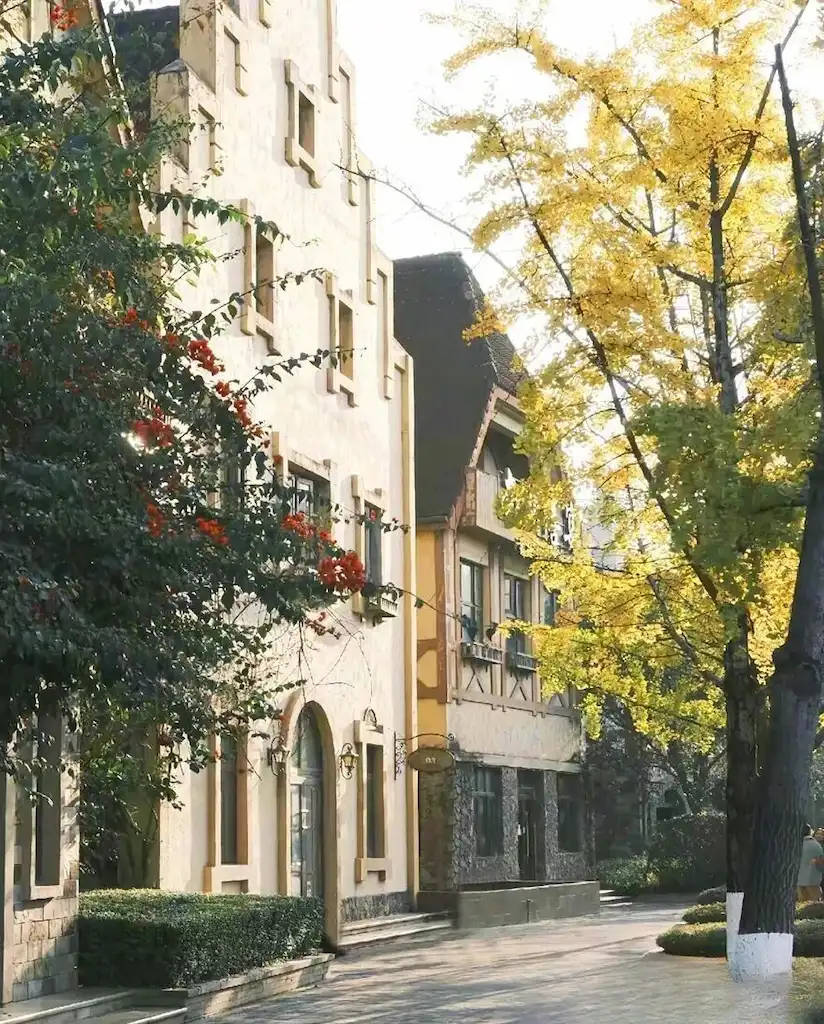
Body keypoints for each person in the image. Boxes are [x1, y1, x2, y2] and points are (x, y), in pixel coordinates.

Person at [797, 823, 824, 903]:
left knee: (803, 903)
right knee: (815, 903)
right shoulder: (816, 845)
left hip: (799, 879)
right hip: (813, 880)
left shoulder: (796, 845)